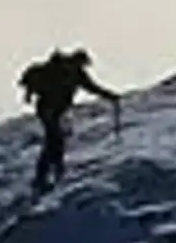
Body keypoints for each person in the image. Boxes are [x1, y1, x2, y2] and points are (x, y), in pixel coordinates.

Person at [18, 48, 121, 193]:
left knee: (55, 139)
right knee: (54, 138)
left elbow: (92, 88)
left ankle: (51, 172)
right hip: (48, 108)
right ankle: (47, 175)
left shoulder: (74, 73)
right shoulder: (60, 70)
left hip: (55, 109)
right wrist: (110, 96)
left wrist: (110, 95)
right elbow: (93, 88)